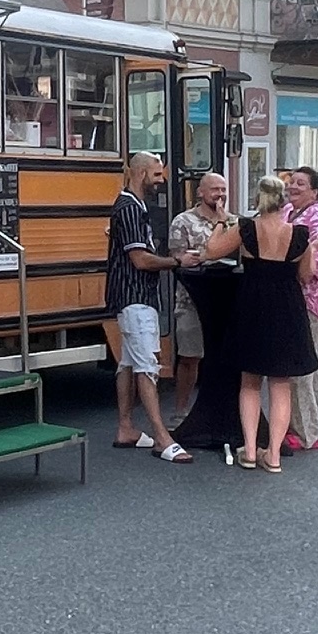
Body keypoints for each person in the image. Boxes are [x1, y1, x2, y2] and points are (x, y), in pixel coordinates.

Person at [203, 175, 316, 471]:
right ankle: (274, 455)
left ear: (258, 199)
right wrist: (311, 250)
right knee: (281, 384)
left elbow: (211, 251)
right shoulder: (300, 234)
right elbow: (306, 275)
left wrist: (220, 222)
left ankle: (251, 451)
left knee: (250, 382)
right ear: (283, 201)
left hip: (252, 306)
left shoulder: (247, 228)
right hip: (287, 309)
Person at [106, 152, 199, 463]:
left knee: (128, 363)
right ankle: (162, 437)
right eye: (157, 174)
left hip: (129, 295)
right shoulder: (131, 208)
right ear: (141, 172)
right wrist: (177, 261)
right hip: (136, 296)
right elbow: (140, 259)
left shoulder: (132, 205)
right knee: (148, 365)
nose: (162, 180)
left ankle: (126, 428)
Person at [166, 173, 232, 427]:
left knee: (223, 359)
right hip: (190, 300)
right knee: (189, 357)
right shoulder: (183, 221)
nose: (220, 194)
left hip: (224, 301)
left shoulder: (233, 221)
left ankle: (222, 412)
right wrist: (200, 257)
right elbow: (178, 258)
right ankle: (180, 412)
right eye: (215, 189)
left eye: (223, 189)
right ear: (200, 192)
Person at [283, 167, 318, 451]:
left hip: (312, 299)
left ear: (314, 192)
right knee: (308, 364)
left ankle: (305, 432)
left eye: (300, 183)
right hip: (293, 298)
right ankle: (306, 426)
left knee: (301, 365)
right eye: (291, 182)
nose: (293, 186)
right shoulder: (288, 212)